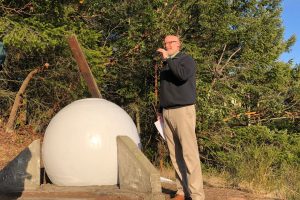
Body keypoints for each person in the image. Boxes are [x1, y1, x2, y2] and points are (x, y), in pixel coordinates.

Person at [156, 35, 205, 200]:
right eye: (166, 43)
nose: (168, 45)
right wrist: (160, 109)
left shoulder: (186, 59)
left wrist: (169, 59)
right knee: (175, 154)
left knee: (189, 154)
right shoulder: (166, 65)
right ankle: (182, 191)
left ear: (179, 44)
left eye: (172, 42)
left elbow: (182, 75)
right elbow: (165, 89)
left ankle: (197, 195)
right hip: (167, 112)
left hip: (183, 111)